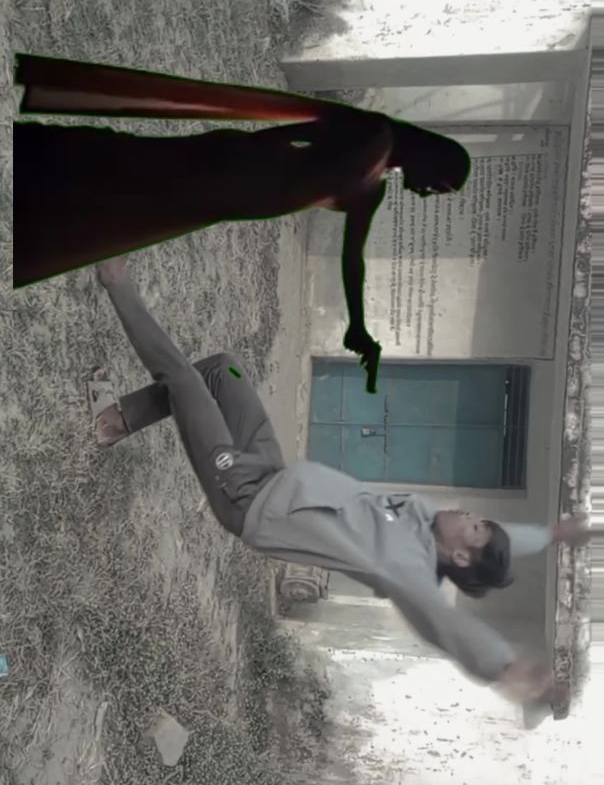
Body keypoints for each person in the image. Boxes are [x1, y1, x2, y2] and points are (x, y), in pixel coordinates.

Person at [90, 255, 588, 717]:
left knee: (184, 381)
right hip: (271, 470)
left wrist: (504, 667)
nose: (469, 515)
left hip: (246, 498)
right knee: (224, 370)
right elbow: (504, 539)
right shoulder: (421, 517)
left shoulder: (406, 569)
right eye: (478, 519)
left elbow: (448, 624)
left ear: (458, 556)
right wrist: (552, 535)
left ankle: (115, 281)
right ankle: (119, 420)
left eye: (474, 527)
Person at [13, 53, 471, 393]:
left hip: (221, 198)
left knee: (120, 203)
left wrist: (359, 326)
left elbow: (354, 259)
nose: (429, 192)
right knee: (122, 167)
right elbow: (294, 132)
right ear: (433, 156)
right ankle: (30, 159)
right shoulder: (373, 135)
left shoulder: (373, 189)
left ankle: (33, 200)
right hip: (219, 172)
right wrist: (237, 158)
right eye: (440, 185)